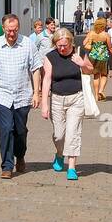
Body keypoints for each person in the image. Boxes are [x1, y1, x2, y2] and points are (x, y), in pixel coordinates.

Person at [0, 14, 44, 179]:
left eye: (15, 30)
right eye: (9, 30)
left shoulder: (27, 44)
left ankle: (20, 155)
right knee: (6, 129)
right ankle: (7, 166)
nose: (12, 33)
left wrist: (37, 93)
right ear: (3, 28)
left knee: (20, 131)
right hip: (2, 94)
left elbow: (36, 69)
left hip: (23, 95)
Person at [41, 27, 95, 181]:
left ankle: (72, 167)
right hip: (57, 99)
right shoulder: (50, 57)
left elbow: (90, 70)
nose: (62, 49)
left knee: (73, 133)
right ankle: (59, 154)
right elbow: (46, 80)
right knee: (59, 135)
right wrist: (44, 104)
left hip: (76, 98)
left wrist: (81, 64)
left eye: (65, 45)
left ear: (71, 42)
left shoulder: (80, 53)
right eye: (59, 46)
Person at [83, 17, 112, 102]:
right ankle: (101, 90)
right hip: (103, 57)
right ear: (103, 25)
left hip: (93, 56)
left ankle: (96, 95)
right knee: (104, 75)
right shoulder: (106, 35)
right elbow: (110, 47)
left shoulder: (91, 33)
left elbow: (84, 43)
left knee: (96, 75)